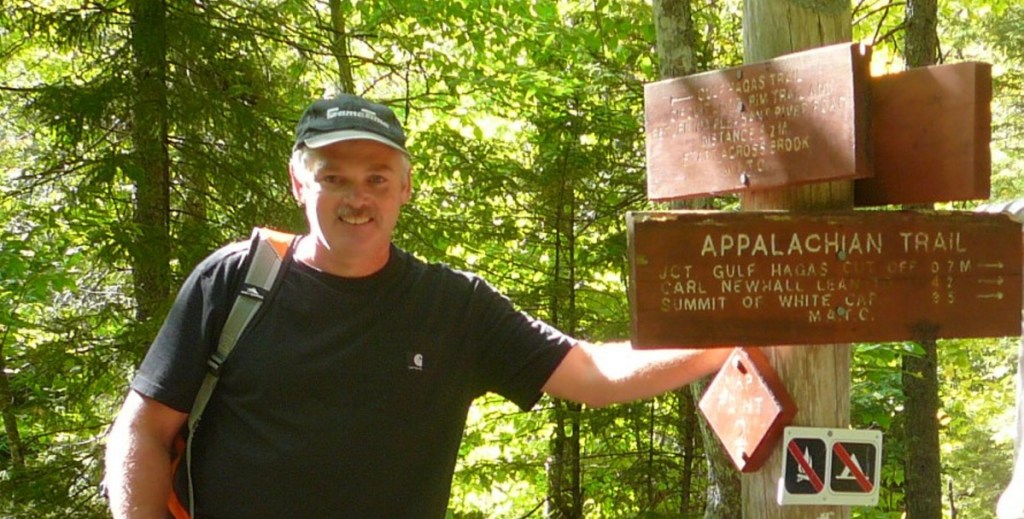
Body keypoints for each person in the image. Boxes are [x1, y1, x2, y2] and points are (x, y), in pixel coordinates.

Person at [104, 94, 730, 518]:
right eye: (333, 177)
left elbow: (592, 374)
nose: (358, 198)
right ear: (299, 183)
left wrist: (732, 339)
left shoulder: (451, 307)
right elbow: (144, 428)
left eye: (377, 177)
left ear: (405, 187)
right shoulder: (236, 281)